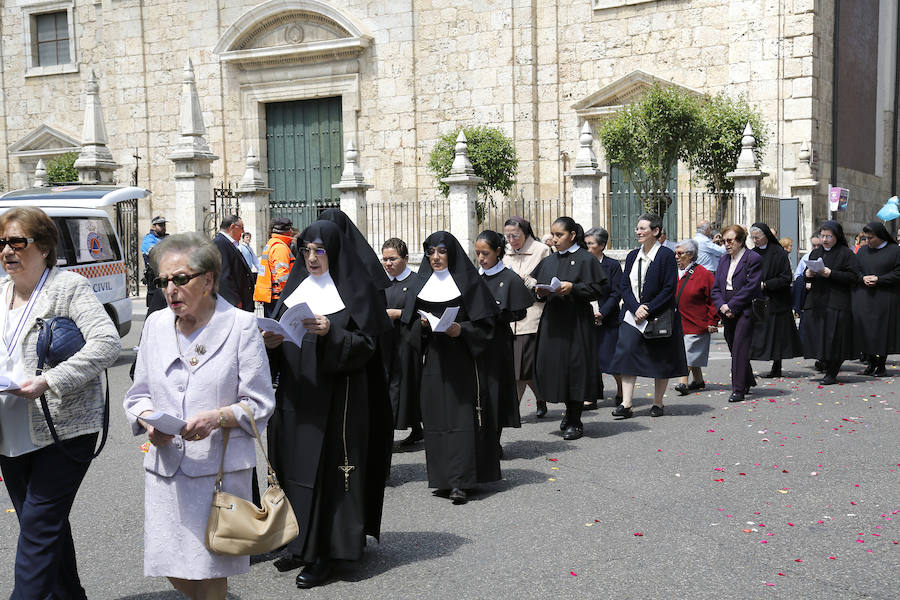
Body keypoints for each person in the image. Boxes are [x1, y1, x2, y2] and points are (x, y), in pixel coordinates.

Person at [123, 233, 274, 600]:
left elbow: (260, 403)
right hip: (166, 468)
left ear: (208, 280)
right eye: (163, 281)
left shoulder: (240, 326)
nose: (170, 289)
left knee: (210, 567)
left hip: (217, 471)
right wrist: (147, 421)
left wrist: (217, 417)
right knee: (171, 565)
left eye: (180, 279)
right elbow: (138, 393)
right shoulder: (157, 324)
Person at [263, 220, 392, 588]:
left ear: (334, 252)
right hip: (295, 396)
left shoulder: (356, 290)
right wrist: (271, 343)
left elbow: (371, 346)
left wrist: (332, 332)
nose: (312, 257)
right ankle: (298, 543)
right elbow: (278, 332)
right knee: (294, 469)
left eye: (319, 251)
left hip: (340, 399)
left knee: (327, 474)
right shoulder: (294, 289)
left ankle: (328, 552)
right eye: (306, 250)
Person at [0, 207, 120, 599]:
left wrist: (49, 379)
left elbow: (106, 343)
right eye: (2, 243)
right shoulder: (1, 292)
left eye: (17, 242)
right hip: (11, 434)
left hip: (63, 431)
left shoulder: (67, 287)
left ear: (45, 247)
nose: (7, 251)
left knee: (37, 531)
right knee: (46, 528)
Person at [400, 231, 501, 504]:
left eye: (441, 252)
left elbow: (489, 327)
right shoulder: (422, 286)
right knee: (436, 421)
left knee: (460, 421)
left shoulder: (470, 284)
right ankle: (443, 478)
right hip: (433, 361)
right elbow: (407, 327)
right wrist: (421, 329)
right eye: (431, 252)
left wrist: (462, 330)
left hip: (464, 362)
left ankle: (461, 481)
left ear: (452, 254)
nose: (435, 257)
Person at [531, 217, 608, 438]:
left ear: (572, 235)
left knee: (575, 368)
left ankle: (575, 418)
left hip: (577, 322)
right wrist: (540, 292)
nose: (554, 240)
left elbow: (598, 289)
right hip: (553, 322)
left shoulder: (586, 259)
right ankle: (568, 411)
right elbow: (535, 287)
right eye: (553, 235)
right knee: (556, 368)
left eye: (559, 235)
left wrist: (573, 288)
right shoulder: (549, 260)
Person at [609, 213, 686, 418]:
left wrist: (648, 308)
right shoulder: (633, 255)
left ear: (656, 231)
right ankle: (626, 403)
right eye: (637, 228)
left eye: (643, 228)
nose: (638, 232)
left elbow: (669, 288)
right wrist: (636, 308)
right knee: (626, 352)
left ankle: (658, 402)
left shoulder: (666, 256)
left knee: (660, 357)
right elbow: (624, 285)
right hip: (632, 316)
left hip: (658, 315)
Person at [475, 230, 533, 452]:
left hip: (498, 342)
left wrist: (497, 314)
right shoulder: (474, 277)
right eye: (478, 253)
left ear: (498, 252)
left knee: (495, 391)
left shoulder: (509, 277)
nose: (481, 258)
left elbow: (519, 312)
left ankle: (494, 440)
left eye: (485, 253)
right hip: (475, 342)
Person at [800, 221, 861, 385]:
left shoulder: (846, 254)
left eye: (829, 236)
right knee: (818, 336)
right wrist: (808, 274)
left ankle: (832, 371)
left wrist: (830, 273)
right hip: (817, 301)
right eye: (822, 236)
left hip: (837, 302)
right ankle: (824, 363)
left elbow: (854, 277)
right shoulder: (815, 253)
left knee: (834, 338)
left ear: (836, 236)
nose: (825, 239)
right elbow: (806, 278)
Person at [502, 216, 551, 417]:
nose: (511, 240)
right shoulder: (505, 252)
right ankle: (541, 397)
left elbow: (547, 280)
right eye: (508, 236)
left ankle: (512, 409)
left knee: (521, 365)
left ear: (526, 233)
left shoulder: (542, 250)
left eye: (515, 235)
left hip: (532, 314)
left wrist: (526, 280)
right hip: (509, 316)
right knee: (520, 365)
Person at [711, 224, 762, 402]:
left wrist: (732, 306)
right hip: (726, 308)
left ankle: (738, 389)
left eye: (730, 240)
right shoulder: (724, 260)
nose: (727, 244)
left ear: (740, 241)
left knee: (740, 348)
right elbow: (716, 287)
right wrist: (722, 306)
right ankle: (747, 379)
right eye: (724, 241)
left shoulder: (752, 258)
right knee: (733, 346)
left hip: (744, 308)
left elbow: (751, 287)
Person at [381, 237, 422, 445]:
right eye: (385, 259)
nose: (388, 263)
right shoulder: (381, 282)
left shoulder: (416, 281)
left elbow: (423, 314)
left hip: (408, 340)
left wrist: (399, 314)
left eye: (393, 259)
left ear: (405, 258)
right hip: (386, 341)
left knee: (408, 383)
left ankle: (415, 426)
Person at [748, 223, 803, 378]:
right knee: (758, 334)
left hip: (777, 300)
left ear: (766, 236)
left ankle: (776, 365)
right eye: (752, 238)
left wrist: (766, 284)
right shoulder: (751, 253)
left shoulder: (779, 252)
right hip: (758, 299)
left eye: (757, 237)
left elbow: (786, 277)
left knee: (778, 334)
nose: (755, 240)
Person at [853, 221, 900, 376]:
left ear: (880, 236)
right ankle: (871, 362)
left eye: (871, 238)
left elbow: (898, 273)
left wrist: (880, 279)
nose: (867, 241)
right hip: (864, 297)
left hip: (885, 298)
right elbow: (855, 270)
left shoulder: (894, 250)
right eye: (866, 238)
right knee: (865, 331)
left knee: (882, 332)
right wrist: (863, 278)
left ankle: (881, 364)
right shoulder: (863, 251)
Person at [672, 238, 718, 395]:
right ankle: (698, 381)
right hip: (677, 322)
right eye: (675, 253)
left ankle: (682, 382)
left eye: (680, 253)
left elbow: (713, 300)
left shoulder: (704, 274)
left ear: (690, 255)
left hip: (697, 322)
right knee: (688, 352)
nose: (676, 256)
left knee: (687, 353)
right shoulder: (673, 272)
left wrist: (713, 320)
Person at [584, 227, 623, 407]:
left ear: (601, 245)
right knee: (590, 359)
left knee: (611, 357)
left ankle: (622, 390)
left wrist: (602, 312)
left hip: (607, 318)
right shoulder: (583, 264)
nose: (587, 247)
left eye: (590, 244)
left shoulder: (612, 266)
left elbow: (616, 293)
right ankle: (591, 395)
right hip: (586, 317)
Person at [254, 217, 295, 318]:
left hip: (272, 296)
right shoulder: (280, 248)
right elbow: (283, 276)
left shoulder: (272, 244)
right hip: (278, 297)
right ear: (288, 231)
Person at [213, 215, 254, 312]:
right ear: (232, 227)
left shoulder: (229, 243)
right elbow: (223, 276)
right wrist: (235, 301)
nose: (243, 232)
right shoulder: (220, 244)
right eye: (241, 228)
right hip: (234, 304)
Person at [141, 215, 168, 314]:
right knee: (154, 308)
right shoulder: (148, 239)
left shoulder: (168, 238)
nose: (163, 227)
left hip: (166, 276)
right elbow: (155, 252)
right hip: (154, 277)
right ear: (153, 227)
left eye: (164, 225)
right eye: (160, 225)